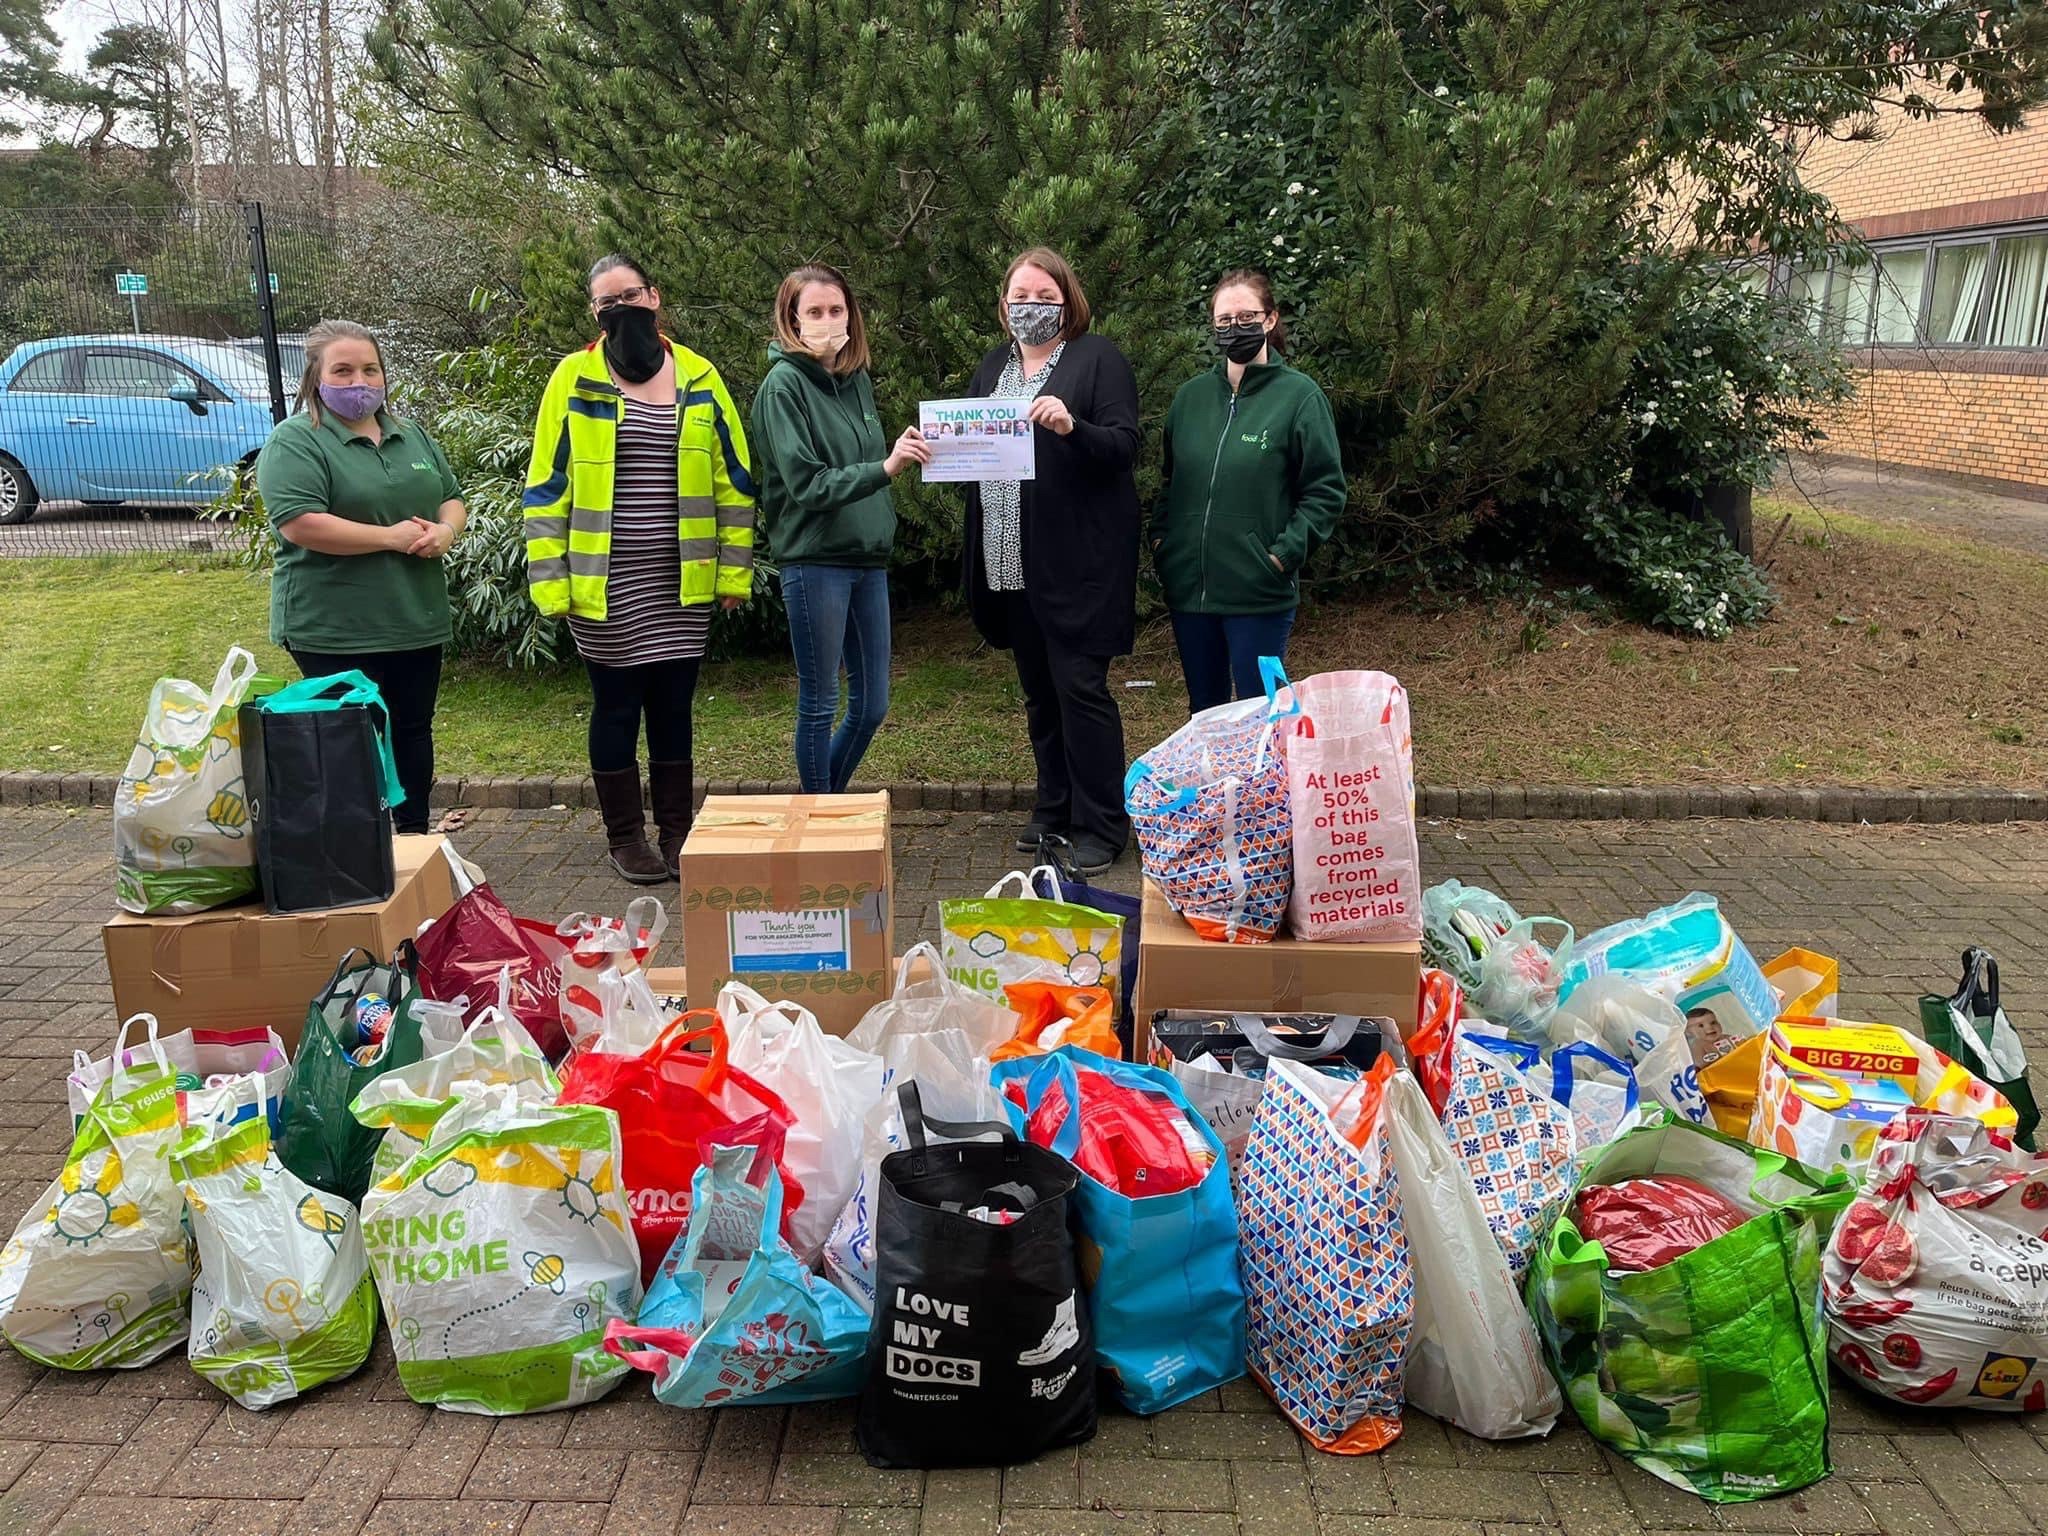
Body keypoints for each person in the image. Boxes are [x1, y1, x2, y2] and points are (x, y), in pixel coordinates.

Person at [523, 254, 756, 883]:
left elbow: (733, 480)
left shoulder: (700, 375)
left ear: (655, 296)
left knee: (674, 709)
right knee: (618, 708)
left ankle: (678, 832)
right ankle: (626, 838)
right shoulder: (573, 378)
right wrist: (552, 581)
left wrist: (733, 572)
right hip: (604, 580)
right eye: (606, 302)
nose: (621, 307)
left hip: (681, 581)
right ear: (595, 315)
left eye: (630, 294)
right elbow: (546, 486)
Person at [961, 246, 1141, 877]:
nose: (1030, 308)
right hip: (1009, 561)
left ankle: (1101, 824)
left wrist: (1073, 427)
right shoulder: (994, 365)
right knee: (1039, 694)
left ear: (1068, 301)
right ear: (1004, 304)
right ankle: (1054, 806)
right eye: (1021, 297)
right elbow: (976, 453)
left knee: (1080, 691)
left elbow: (1124, 446)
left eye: (1044, 297)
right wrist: (942, 454)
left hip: (1077, 567)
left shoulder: (1098, 360)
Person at [256, 319, 465, 836]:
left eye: (370, 370)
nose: (359, 383)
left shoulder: (409, 434)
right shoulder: (297, 441)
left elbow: (452, 497)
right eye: (343, 371)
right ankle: (355, 848)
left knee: (412, 731)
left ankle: (412, 838)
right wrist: (390, 538)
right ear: (316, 377)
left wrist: (445, 531)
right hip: (335, 625)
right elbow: (301, 522)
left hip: (414, 617)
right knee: (349, 738)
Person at [750, 263, 928, 792]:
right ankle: (821, 818)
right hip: (814, 560)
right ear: (792, 319)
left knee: (873, 705)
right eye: (815, 312)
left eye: (836, 310)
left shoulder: (855, 383)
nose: (828, 320)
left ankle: (821, 809)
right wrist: (886, 467)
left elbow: (869, 462)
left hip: (865, 559)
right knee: (821, 700)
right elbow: (808, 484)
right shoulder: (782, 388)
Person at [1150, 268, 1345, 711]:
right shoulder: (1190, 399)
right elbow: (1168, 482)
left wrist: (1281, 555)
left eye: (1246, 316)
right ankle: (1218, 785)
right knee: (1207, 715)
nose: (1234, 327)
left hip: (1258, 591)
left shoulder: (1300, 397)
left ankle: (1270, 785)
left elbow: (1325, 490)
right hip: (1189, 591)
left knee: (1262, 715)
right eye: (1223, 320)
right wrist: (1164, 543)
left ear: (1270, 319)